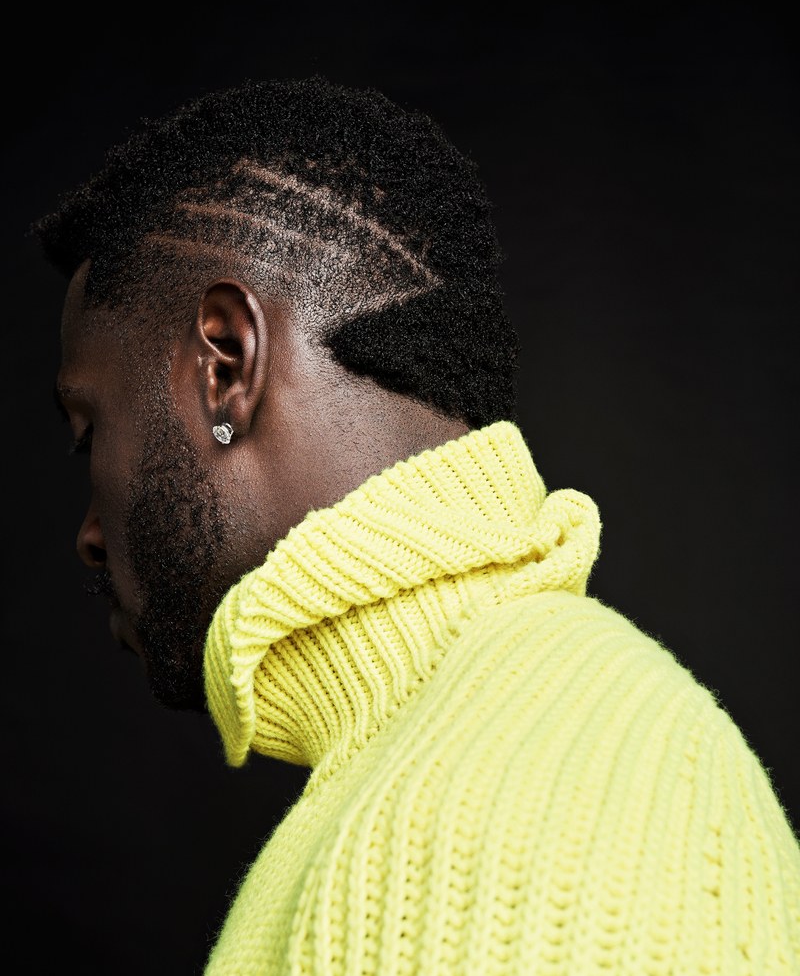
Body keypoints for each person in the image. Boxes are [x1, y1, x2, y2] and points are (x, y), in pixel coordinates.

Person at [38, 76, 800, 975]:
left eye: (89, 433)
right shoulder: (436, 763)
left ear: (225, 366)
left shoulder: (541, 798)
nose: (90, 534)